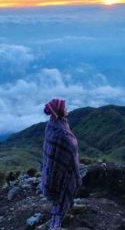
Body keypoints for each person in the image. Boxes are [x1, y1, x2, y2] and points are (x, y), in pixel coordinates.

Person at [40, 98, 82, 230]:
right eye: (64, 107)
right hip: (61, 169)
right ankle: (58, 220)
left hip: (52, 170)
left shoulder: (53, 124)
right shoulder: (61, 131)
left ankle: (68, 207)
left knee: (60, 193)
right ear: (58, 110)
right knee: (63, 191)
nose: (67, 109)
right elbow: (70, 146)